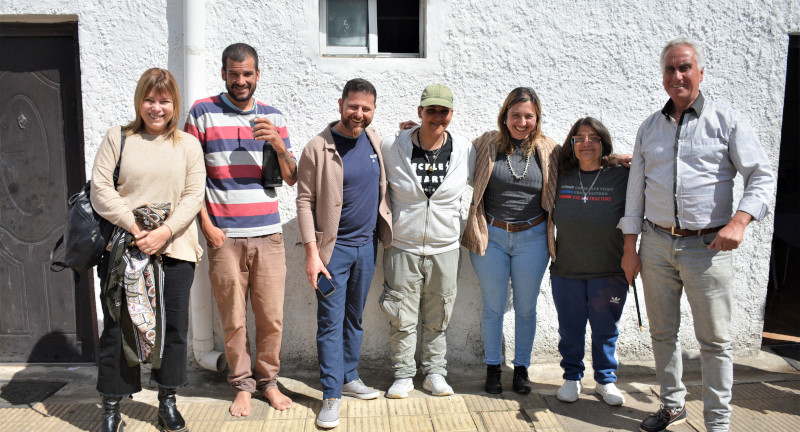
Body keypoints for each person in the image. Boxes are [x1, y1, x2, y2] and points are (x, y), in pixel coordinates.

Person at [619, 38, 775, 432]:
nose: (677, 76)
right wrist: (629, 247)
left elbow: (761, 175)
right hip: (655, 244)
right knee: (662, 333)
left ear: (700, 73)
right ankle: (672, 405)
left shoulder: (727, 121)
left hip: (708, 247)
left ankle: (718, 423)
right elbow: (635, 191)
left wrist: (739, 221)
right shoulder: (649, 128)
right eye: (670, 69)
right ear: (663, 77)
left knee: (715, 341)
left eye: (685, 67)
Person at [184, 43, 296, 416]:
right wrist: (206, 225)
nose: (241, 81)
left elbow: (293, 178)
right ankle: (243, 385)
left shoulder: (274, 115)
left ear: (258, 75)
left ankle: (269, 383)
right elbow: (189, 176)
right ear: (223, 74)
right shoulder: (202, 113)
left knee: (270, 318)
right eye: (234, 74)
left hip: (269, 234)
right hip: (224, 237)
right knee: (233, 319)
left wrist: (280, 145)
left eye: (247, 74)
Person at [91, 68, 205, 432]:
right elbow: (101, 189)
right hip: (125, 248)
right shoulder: (118, 138)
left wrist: (166, 232)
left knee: (172, 327)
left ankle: (167, 400)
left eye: (164, 101)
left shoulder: (187, 145)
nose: (157, 108)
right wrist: (136, 227)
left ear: (175, 104)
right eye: (150, 100)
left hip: (175, 251)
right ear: (140, 101)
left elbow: (193, 195)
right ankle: (111, 406)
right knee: (117, 328)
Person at [296, 78, 393, 429]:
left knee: (354, 318)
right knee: (330, 323)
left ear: (373, 110)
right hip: (331, 252)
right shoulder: (318, 147)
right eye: (353, 106)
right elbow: (304, 201)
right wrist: (311, 253)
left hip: (367, 248)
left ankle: (349, 376)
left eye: (366, 108)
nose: (359, 114)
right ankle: (331, 394)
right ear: (340, 104)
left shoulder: (375, 141)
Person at [462, 87, 559, 395]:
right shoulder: (487, 143)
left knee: (526, 308)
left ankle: (521, 368)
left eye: (528, 116)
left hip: (533, 238)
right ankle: (493, 367)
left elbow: (583, 161)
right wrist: (414, 134)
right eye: (515, 115)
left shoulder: (548, 149)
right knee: (493, 306)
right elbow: (450, 151)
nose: (521, 122)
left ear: (537, 118)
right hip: (491, 235)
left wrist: (614, 160)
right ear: (505, 116)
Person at [379, 84, 474, 398]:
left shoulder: (464, 149)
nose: (437, 117)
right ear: (419, 112)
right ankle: (403, 375)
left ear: (451, 114)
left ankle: (434, 372)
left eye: (443, 111)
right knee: (401, 315)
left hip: (445, 246)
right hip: (402, 244)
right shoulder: (393, 145)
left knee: (439, 315)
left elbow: (485, 175)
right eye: (430, 110)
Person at [550, 117, 629, 406]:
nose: (586, 143)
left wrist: (626, 158)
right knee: (570, 329)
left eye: (593, 138)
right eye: (579, 137)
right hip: (567, 270)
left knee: (606, 330)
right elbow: (537, 147)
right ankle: (572, 378)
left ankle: (605, 381)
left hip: (609, 271)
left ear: (603, 143)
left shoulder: (622, 175)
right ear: (571, 144)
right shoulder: (560, 172)